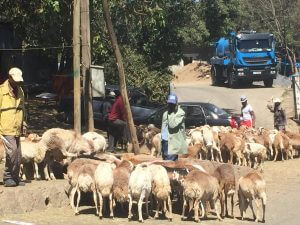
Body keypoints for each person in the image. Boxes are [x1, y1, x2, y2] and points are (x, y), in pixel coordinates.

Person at [0, 67, 26, 187]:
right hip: (5, 128)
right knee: (12, 153)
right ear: (9, 78)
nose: (17, 83)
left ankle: (15, 177)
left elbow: (22, 109)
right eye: (15, 80)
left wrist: (24, 123)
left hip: (17, 128)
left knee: (18, 154)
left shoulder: (20, 90)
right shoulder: (1, 91)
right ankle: (8, 177)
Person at [161, 93, 187, 161]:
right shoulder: (165, 113)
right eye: (169, 103)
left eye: (172, 104)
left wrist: (172, 113)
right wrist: (162, 139)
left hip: (174, 140)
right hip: (165, 140)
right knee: (167, 160)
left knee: (170, 162)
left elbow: (172, 125)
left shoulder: (180, 113)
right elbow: (163, 127)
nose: (171, 105)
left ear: (176, 103)